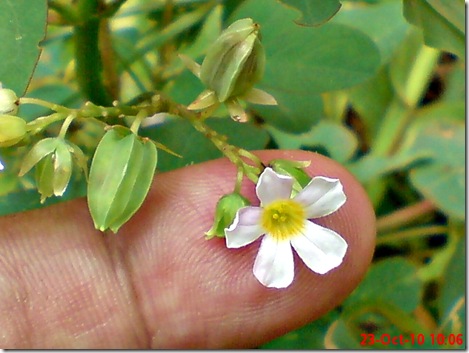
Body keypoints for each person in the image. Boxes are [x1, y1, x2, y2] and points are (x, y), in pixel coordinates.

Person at [0, 150, 375, 348]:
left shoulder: (290, 197)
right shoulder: (265, 203)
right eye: (276, 209)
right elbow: (248, 219)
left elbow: (273, 210)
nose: (276, 212)